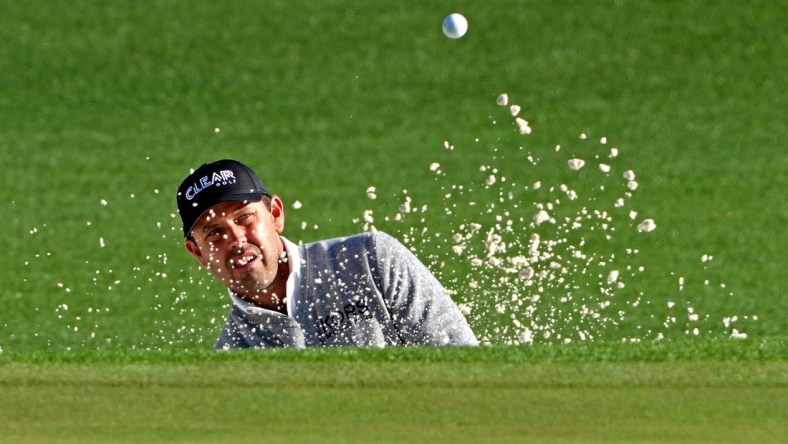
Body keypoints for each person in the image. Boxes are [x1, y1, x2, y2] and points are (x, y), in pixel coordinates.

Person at [176, 159, 478, 349]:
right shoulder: (234, 354)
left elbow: (461, 365)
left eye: (245, 218)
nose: (237, 240)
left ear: (276, 215)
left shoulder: (371, 260)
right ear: (198, 253)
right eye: (214, 233)